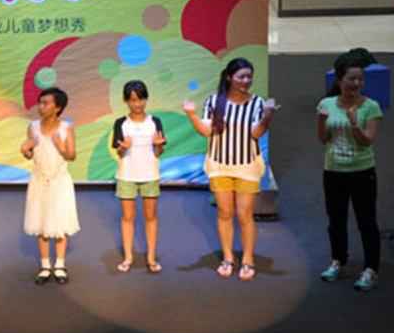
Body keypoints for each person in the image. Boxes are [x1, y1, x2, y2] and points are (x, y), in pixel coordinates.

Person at [182, 58, 277, 281]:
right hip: (219, 165)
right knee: (224, 213)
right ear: (229, 77)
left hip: (247, 166)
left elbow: (256, 133)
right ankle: (227, 258)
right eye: (241, 76)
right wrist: (192, 115)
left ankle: (248, 259)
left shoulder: (257, 103)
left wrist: (267, 116)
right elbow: (206, 132)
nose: (246, 81)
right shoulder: (214, 101)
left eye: (249, 76)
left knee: (244, 214)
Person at [316, 49, 384, 291]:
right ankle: (339, 262)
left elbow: (367, 140)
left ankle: (371, 269)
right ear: (339, 80)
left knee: (366, 221)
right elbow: (323, 139)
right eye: (351, 79)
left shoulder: (371, 107)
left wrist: (354, 122)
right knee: (336, 220)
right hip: (333, 171)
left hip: (362, 172)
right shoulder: (326, 104)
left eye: (360, 79)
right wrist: (320, 121)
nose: (356, 83)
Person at [21, 87, 80, 284]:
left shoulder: (66, 128)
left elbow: (71, 156)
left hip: (59, 180)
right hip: (39, 180)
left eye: (46, 104)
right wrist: (26, 150)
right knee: (41, 222)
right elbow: (31, 154)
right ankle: (45, 265)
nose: (41, 107)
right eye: (40, 103)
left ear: (58, 107)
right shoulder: (33, 127)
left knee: (60, 222)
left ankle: (60, 265)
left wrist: (60, 145)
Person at [112, 80, 167, 273]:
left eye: (141, 99)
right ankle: (128, 257)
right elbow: (119, 152)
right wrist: (123, 148)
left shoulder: (155, 121)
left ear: (146, 99)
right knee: (128, 217)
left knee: (150, 216)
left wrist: (158, 145)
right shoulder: (121, 123)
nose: (138, 104)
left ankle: (151, 257)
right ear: (126, 100)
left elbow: (159, 151)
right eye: (133, 100)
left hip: (150, 174)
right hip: (127, 175)